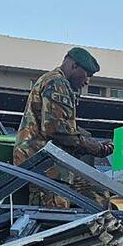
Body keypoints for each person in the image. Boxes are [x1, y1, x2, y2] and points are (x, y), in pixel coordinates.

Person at [13, 47, 114, 208]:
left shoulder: (57, 82)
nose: (87, 82)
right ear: (74, 66)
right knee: (54, 212)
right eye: (87, 74)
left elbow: (63, 126)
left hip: (53, 162)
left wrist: (89, 141)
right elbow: (55, 130)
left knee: (97, 194)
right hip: (44, 163)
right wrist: (92, 146)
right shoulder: (57, 83)